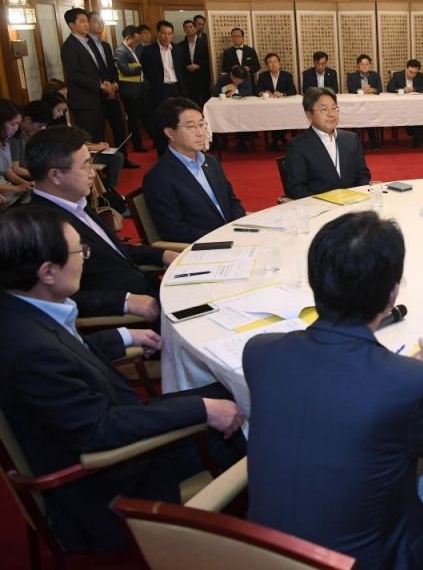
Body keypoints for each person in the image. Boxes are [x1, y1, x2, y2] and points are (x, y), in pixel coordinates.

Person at [244, 210, 423, 569]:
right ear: (392, 295)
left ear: (314, 282)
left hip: (259, 556)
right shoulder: (408, 381)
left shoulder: (260, 352)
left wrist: (404, 373)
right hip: (367, 562)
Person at [0, 207, 245, 554]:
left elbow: (69, 358)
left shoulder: (20, 310)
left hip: (108, 425)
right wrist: (202, 409)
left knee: (233, 391)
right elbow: (100, 431)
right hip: (114, 479)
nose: (85, 260)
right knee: (252, 417)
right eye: (80, 252)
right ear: (47, 272)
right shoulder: (31, 352)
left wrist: (124, 336)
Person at [22, 126, 171, 320]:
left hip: (150, 289)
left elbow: (111, 251)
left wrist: (162, 254)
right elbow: (52, 299)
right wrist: (125, 302)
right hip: (127, 316)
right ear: (55, 175)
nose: (93, 173)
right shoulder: (38, 227)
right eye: (85, 166)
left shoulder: (75, 202)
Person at [143, 98, 246, 243]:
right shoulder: (159, 177)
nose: (200, 133)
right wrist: (222, 237)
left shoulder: (211, 161)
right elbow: (174, 231)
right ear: (170, 133)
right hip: (205, 246)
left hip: (234, 236)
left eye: (202, 125)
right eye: (191, 127)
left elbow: (232, 201)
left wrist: (238, 228)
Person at [283, 87, 371, 199]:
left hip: (354, 203)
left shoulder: (351, 139)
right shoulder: (297, 146)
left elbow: (363, 174)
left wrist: (357, 197)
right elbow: (295, 188)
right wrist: (325, 203)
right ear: (309, 115)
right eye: (324, 109)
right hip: (320, 206)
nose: (331, 114)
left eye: (334, 108)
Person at [86, 11, 135, 168]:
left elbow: (112, 69)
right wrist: (103, 85)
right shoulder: (86, 45)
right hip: (96, 95)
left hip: (112, 94)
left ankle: (124, 159)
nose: (101, 24)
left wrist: (114, 84)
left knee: (119, 127)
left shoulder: (105, 45)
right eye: (96, 21)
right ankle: (102, 165)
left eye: (102, 21)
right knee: (98, 131)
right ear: (87, 24)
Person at [59, 8, 113, 145]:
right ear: (72, 25)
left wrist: (105, 81)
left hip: (97, 98)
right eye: (82, 21)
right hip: (83, 101)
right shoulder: (69, 46)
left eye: (87, 21)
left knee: (100, 137)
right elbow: (75, 74)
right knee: (89, 139)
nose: (86, 24)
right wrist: (98, 85)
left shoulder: (89, 42)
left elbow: (98, 66)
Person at [140, 20, 186, 156]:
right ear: (158, 33)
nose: (167, 37)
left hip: (176, 88)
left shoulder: (177, 49)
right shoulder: (149, 51)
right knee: (161, 122)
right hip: (159, 90)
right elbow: (146, 72)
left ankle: (179, 153)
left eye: (169, 34)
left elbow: (180, 70)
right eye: (164, 33)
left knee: (178, 121)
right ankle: (162, 155)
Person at [114, 25, 151, 153]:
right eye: (136, 40)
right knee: (133, 119)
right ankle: (137, 144)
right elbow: (124, 70)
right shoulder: (121, 51)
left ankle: (153, 138)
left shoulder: (131, 49)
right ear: (128, 38)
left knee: (146, 115)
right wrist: (140, 68)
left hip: (139, 88)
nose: (137, 43)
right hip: (129, 91)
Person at [256, 53, 297, 151]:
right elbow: (257, 91)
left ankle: (276, 140)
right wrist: (263, 93)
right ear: (267, 65)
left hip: (284, 107)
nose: (273, 64)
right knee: (271, 118)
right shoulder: (263, 76)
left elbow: (293, 90)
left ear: (279, 63)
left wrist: (282, 94)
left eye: (275, 61)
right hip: (268, 109)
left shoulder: (287, 75)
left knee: (286, 117)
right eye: (270, 62)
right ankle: (281, 138)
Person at [386, 59, 423, 147]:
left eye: (415, 73)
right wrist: (402, 90)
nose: (412, 75)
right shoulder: (397, 75)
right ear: (406, 68)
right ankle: (418, 134)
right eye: (410, 72)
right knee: (405, 114)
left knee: (420, 113)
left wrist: (415, 89)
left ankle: (417, 135)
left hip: (416, 105)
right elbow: (389, 88)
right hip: (401, 106)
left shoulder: (419, 76)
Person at [346, 54, 382, 149]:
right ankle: (356, 142)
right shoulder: (352, 76)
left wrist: (372, 90)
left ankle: (373, 141)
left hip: (372, 106)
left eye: (367, 64)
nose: (365, 66)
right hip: (356, 107)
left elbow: (379, 89)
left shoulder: (375, 75)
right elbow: (351, 90)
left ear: (370, 65)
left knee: (370, 115)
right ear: (358, 65)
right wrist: (363, 90)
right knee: (360, 117)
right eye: (362, 64)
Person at [0, 100, 32, 209]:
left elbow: (8, 172)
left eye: (18, 124)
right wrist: (17, 188)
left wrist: (26, 184)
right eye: (13, 124)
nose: (16, 128)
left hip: (9, 193)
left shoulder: (6, 141)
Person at [180, 18, 212, 108]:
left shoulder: (205, 43)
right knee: (192, 102)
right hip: (188, 78)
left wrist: (198, 66)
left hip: (202, 76)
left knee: (205, 100)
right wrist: (186, 67)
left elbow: (209, 60)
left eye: (190, 27)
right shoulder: (180, 45)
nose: (188, 29)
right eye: (186, 27)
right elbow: (179, 61)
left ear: (195, 28)